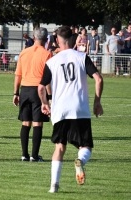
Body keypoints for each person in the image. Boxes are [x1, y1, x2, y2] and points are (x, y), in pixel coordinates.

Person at [37, 26, 103, 193]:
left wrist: (44, 103)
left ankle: (54, 186)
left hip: (60, 110)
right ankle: (80, 161)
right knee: (85, 146)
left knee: (59, 147)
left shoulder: (51, 62)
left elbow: (40, 88)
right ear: (72, 40)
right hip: (79, 108)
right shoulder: (82, 57)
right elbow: (99, 79)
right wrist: (97, 102)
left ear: (58, 40)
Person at [13, 27, 52, 162]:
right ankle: (34, 156)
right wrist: (50, 97)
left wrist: (15, 93)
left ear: (33, 38)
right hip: (38, 90)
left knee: (25, 122)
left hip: (25, 89)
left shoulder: (24, 52)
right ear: (46, 40)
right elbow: (47, 78)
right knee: (37, 123)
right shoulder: (47, 54)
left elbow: (18, 74)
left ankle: (24, 155)